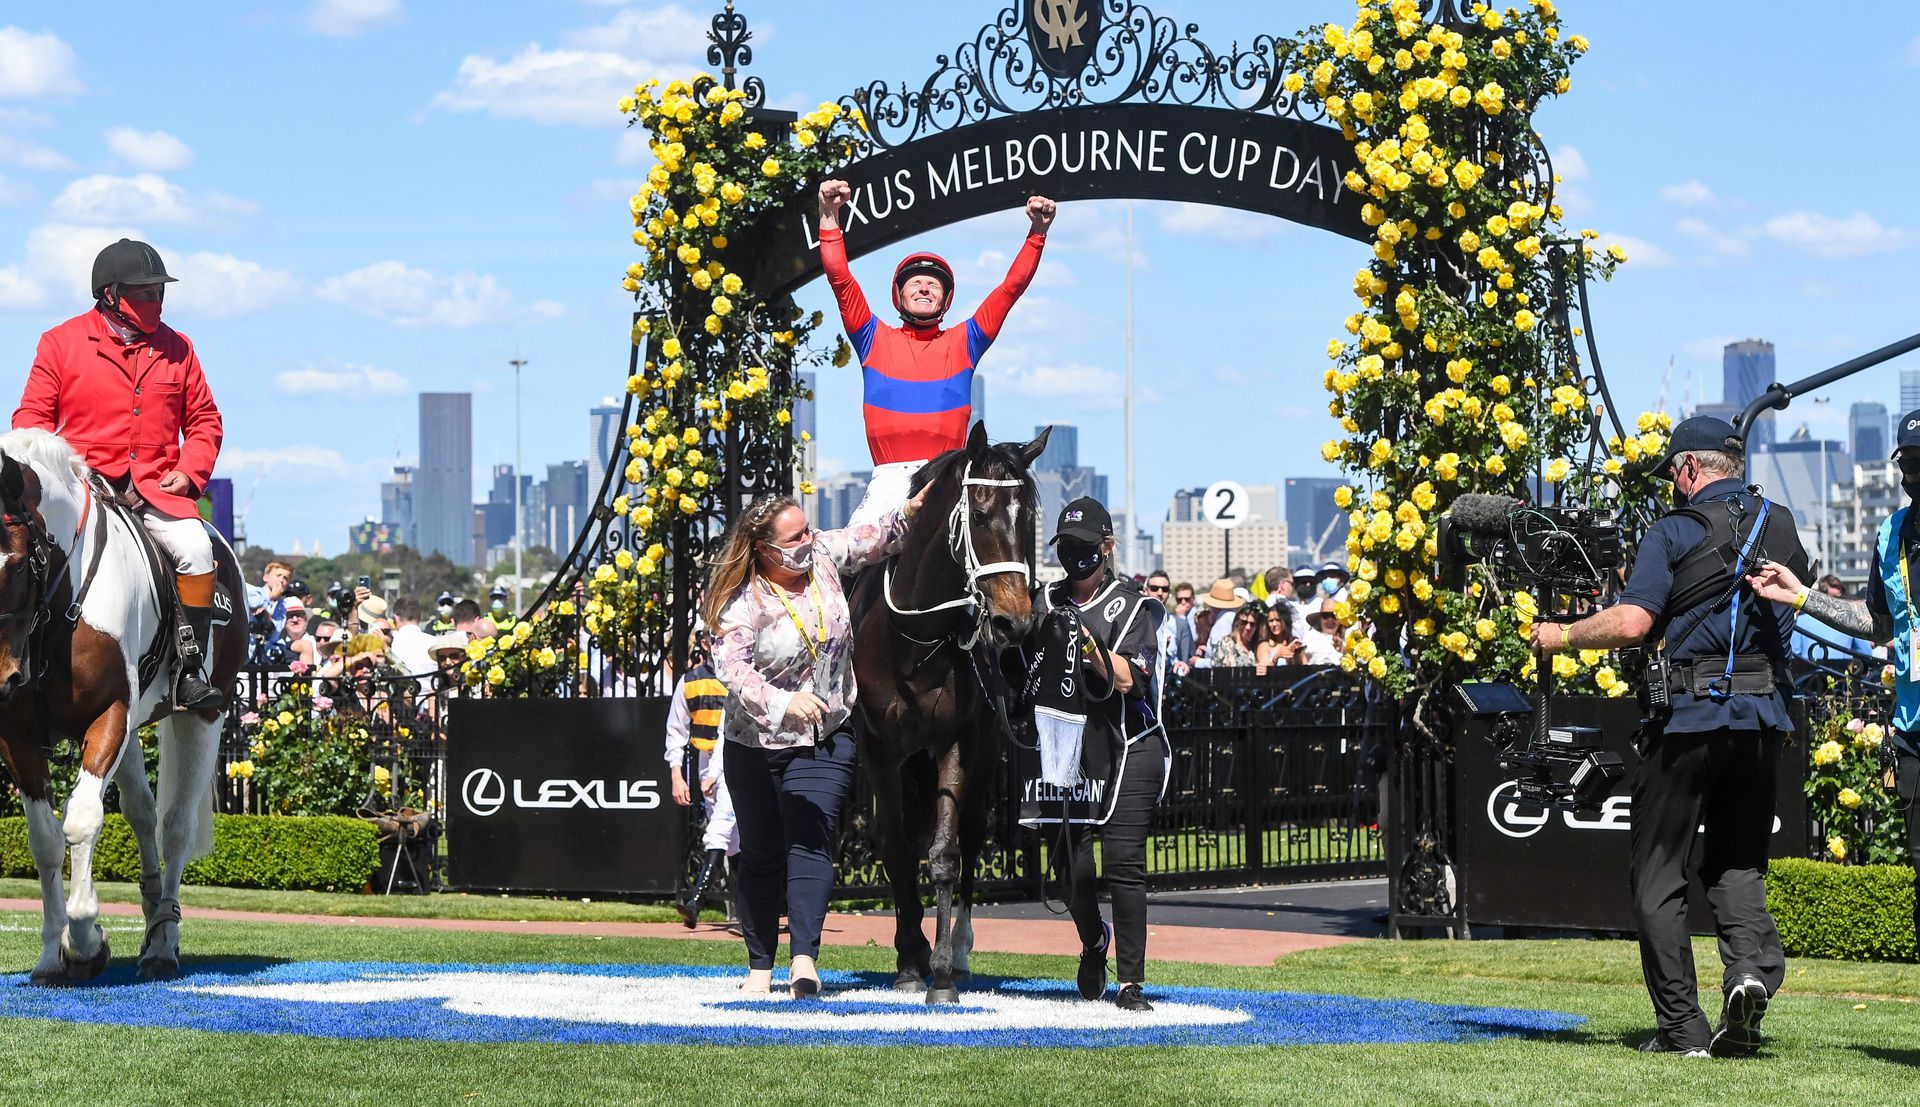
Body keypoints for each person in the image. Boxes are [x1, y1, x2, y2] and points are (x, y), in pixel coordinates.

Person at [1531, 415, 1808, 1058]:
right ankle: (1747, 975)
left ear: (1688, 469)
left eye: (1672, 475)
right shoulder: (1782, 524)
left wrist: (1561, 635)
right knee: (1738, 863)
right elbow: (1793, 610)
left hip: (1686, 719)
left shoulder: (1673, 530)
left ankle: (1683, 1029)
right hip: (1760, 718)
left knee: (1659, 874)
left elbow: (1633, 622)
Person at [704, 484, 928, 997]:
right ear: (764, 548)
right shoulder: (738, 601)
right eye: (795, 537)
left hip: (826, 735)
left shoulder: (822, 555)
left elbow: (871, 537)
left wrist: (912, 509)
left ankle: (804, 959)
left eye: (807, 529)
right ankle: (760, 965)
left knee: (811, 839)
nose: (808, 540)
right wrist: (783, 703)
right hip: (755, 742)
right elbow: (732, 670)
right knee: (761, 851)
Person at [12, 239, 224, 708]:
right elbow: (31, 419)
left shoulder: (179, 347)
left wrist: (188, 472)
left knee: (196, 549)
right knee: (20, 554)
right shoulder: (61, 342)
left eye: (159, 292)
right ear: (110, 294)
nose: (156, 301)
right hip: (84, 487)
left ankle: (189, 671)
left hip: (156, 488)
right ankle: (20, 659)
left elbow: (205, 421)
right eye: (145, 292)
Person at [1748, 406, 1920, 967]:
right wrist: (1802, 596)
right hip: (1914, 733)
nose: (1914, 474)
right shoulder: (1892, 533)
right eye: (1909, 462)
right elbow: (1878, 623)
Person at [816, 178, 1055, 525]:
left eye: (934, 284)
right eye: (915, 282)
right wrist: (828, 215)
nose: (925, 288)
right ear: (899, 295)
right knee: (852, 555)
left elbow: (1010, 289)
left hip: (948, 481)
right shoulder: (871, 337)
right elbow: (840, 278)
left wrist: (1037, 234)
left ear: (946, 299)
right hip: (888, 486)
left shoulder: (966, 341)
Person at [1027, 496, 1166, 1012]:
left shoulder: (1132, 605)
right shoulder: (1044, 600)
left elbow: (1131, 678)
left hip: (1128, 745)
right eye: (1067, 545)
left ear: (1107, 547)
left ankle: (1131, 982)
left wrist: (1085, 644)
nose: (1075, 554)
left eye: (1084, 545)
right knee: (1068, 864)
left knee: (1124, 863)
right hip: (1066, 745)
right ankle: (1093, 941)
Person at [664, 633, 739, 928]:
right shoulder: (690, 681)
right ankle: (747, 912)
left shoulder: (739, 676)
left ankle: (696, 901)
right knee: (733, 841)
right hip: (706, 760)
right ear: (705, 643)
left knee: (720, 827)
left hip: (736, 756)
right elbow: (676, 730)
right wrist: (676, 774)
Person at [1789, 574, 1874, 663]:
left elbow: (1794, 653)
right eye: (1834, 598)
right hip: (1839, 670)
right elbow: (1866, 653)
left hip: (1810, 670)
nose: (1837, 603)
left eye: (1840, 598)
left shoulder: (1802, 621)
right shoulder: (1851, 621)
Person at [1255, 604, 1305, 673]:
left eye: (1278, 620)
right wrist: (1276, 656)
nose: (1274, 624)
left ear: (1285, 621)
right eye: (1271, 621)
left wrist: (1297, 653)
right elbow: (1264, 672)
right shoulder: (1264, 646)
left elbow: (1304, 668)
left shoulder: (1293, 643)